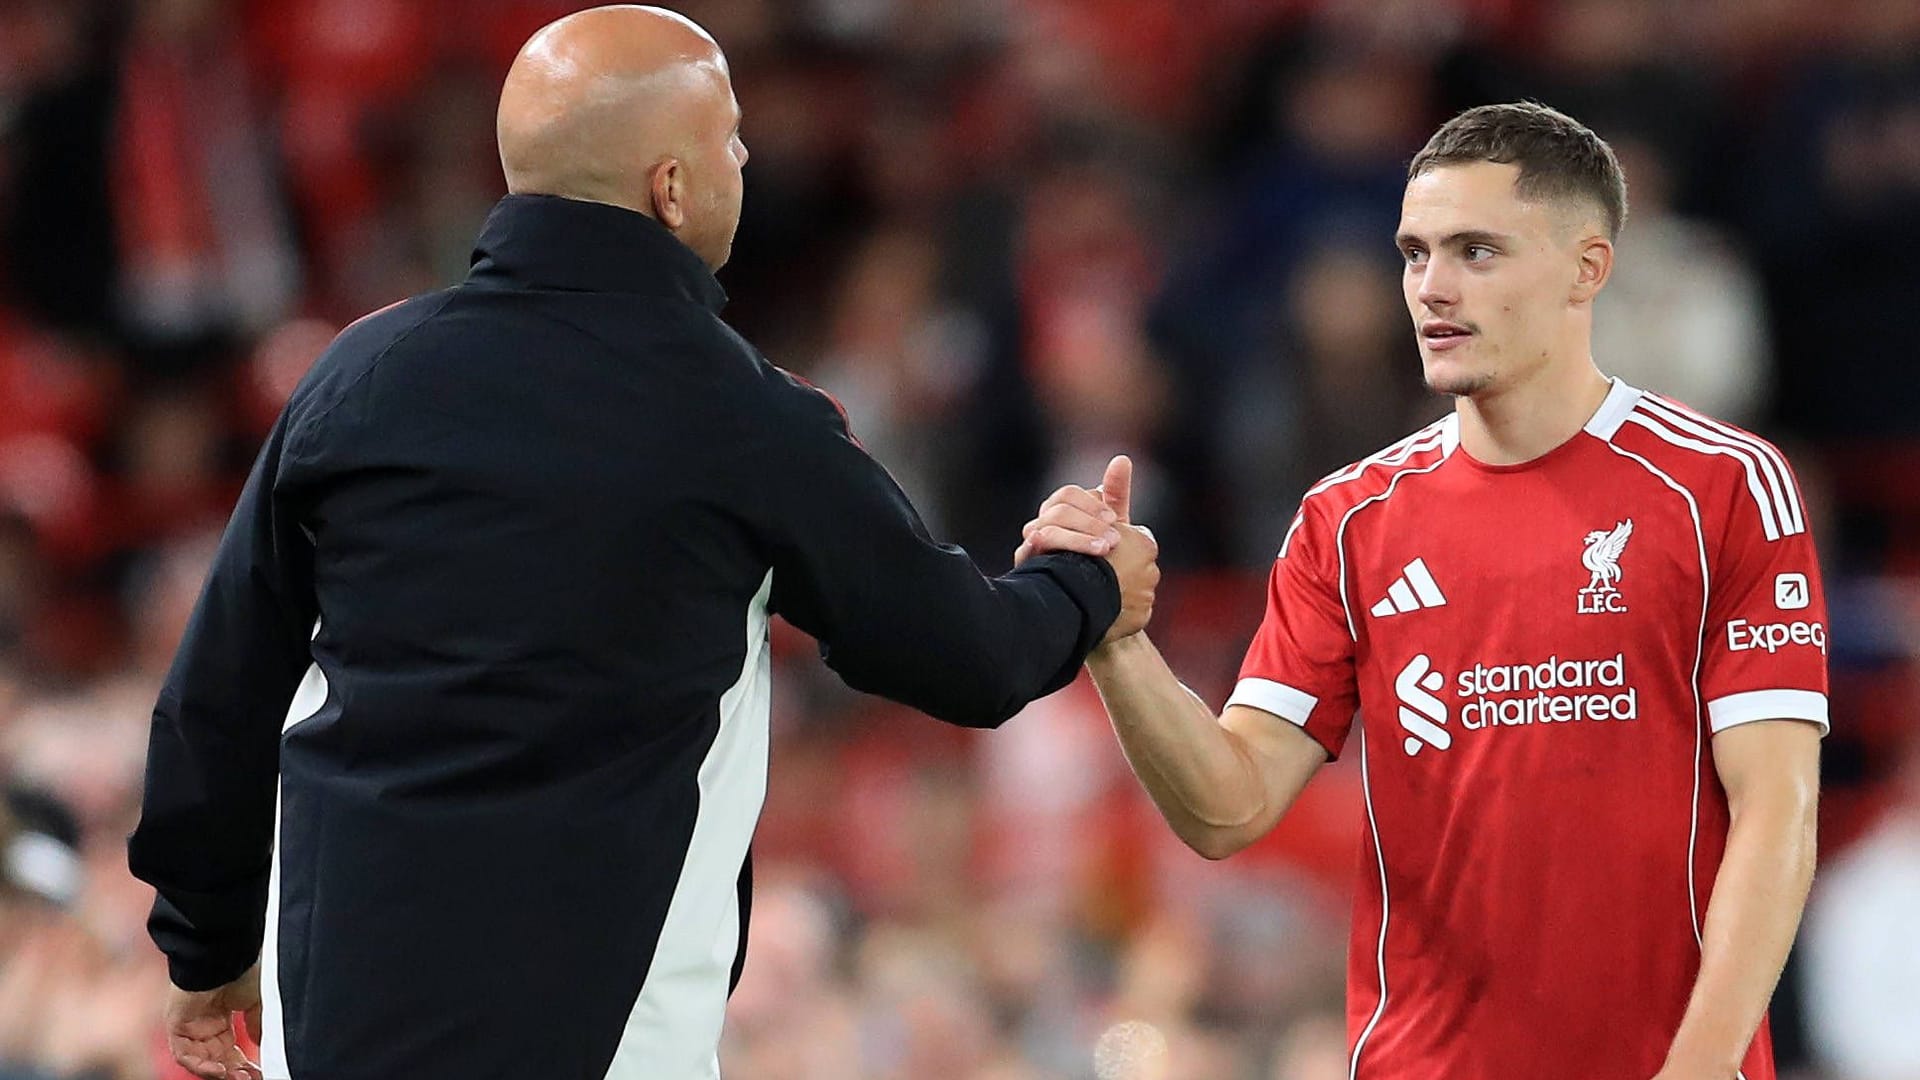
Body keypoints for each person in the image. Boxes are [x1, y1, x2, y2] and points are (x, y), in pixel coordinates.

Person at [126, 7, 1157, 1080]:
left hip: (332, 1026)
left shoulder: (358, 378)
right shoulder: (743, 417)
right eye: (728, 138)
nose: (747, 158)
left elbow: (220, 696)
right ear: (672, 186)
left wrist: (205, 944)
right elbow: (968, 656)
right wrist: (1084, 582)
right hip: (611, 1039)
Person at [1023, 102, 1826, 1079]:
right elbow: (1227, 808)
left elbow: (1777, 806)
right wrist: (1117, 639)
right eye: (1414, 253)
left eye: (1476, 252)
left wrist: (1696, 1070)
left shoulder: (1722, 486)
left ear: (1588, 269)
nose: (1431, 289)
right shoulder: (1347, 520)